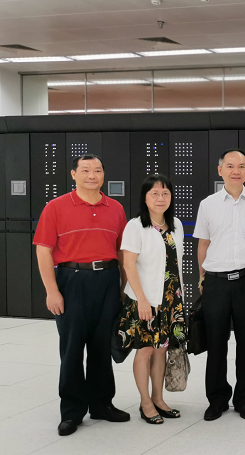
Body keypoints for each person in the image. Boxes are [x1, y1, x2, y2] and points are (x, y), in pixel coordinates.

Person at [33, 154, 130, 436]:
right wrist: (52, 290)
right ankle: (72, 412)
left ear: (103, 175)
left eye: (97, 170)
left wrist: (123, 288)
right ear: (73, 174)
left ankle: (102, 404)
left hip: (108, 279)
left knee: (102, 347)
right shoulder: (56, 207)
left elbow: (122, 250)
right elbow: (43, 250)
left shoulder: (115, 208)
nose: (92, 175)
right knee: (72, 348)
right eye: (85, 170)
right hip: (71, 280)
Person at [194, 148, 245, 421]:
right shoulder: (208, 204)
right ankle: (217, 399)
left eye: (241, 166)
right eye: (230, 166)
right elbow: (203, 244)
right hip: (215, 282)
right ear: (220, 170)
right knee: (216, 343)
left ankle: (244, 400)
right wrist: (202, 278)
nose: (235, 171)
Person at [118, 174, 185, 424]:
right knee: (145, 349)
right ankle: (145, 402)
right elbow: (129, 265)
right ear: (144, 198)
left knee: (161, 349)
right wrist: (142, 300)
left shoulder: (176, 224)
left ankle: (158, 399)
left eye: (165, 193)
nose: (160, 198)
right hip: (144, 300)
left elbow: (174, 264)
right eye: (154, 193)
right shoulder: (135, 226)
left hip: (170, 299)